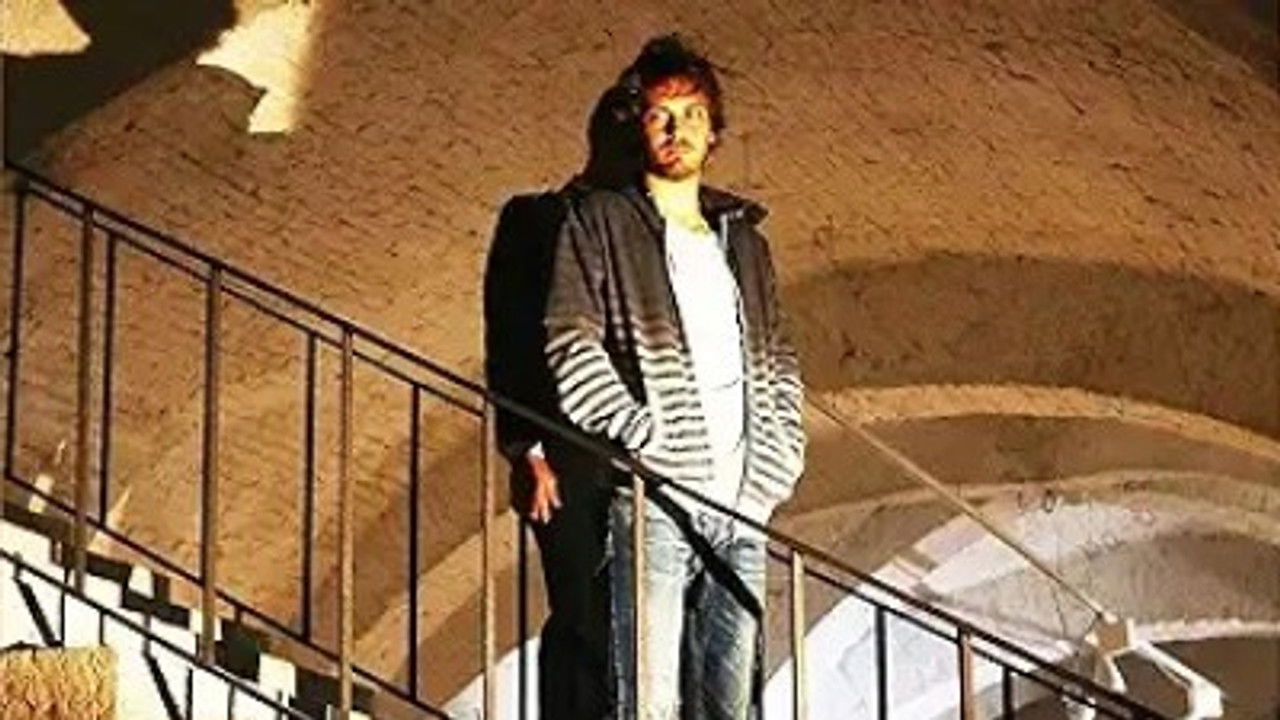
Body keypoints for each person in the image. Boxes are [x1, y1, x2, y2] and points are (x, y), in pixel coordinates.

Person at [543, 34, 806, 720]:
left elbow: (778, 360)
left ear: (714, 130)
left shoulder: (745, 243)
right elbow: (569, 337)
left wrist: (780, 457)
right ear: (640, 126)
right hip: (657, 497)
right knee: (648, 703)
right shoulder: (599, 221)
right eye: (661, 114)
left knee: (731, 705)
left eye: (692, 115)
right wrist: (643, 434)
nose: (676, 130)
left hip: (744, 506)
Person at [483, 84, 643, 719]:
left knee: (638, 615)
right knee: (583, 609)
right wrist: (524, 449)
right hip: (568, 443)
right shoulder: (537, 219)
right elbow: (510, 335)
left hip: (646, 446)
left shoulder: (646, 236)